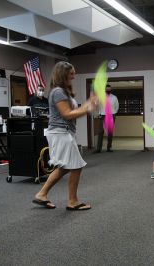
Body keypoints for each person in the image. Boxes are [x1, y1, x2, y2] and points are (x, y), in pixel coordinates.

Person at [32, 61, 98, 210]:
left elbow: (71, 112)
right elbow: (67, 114)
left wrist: (88, 103)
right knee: (76, 166)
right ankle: (72, 201)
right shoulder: (58, 92)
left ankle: (41, 194)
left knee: (65, 167)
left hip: (63, 132)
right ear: (63, 74)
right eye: (71, 73)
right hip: (60, 133)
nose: (74, 77)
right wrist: (87, 109)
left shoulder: (63, 92)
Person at [95, 84, 119, 152]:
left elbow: (117, 106)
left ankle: (109, 148)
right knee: (100, 132)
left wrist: (113, 113)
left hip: (111, 115)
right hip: (103, 115)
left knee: (110, 132)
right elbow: (98, 105)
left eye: (109, 89)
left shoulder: (114, 97)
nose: (108, 90)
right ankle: (98, 149)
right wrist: (99, 113)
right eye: (107, 89)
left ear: (111, 90)